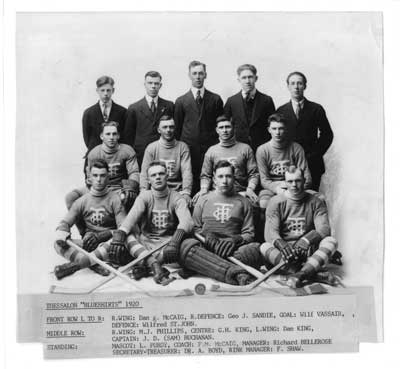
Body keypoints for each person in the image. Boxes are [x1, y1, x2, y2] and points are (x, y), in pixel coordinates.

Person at [235, 166, 338, 288]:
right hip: (286, 255)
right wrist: (282, 245)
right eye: (290, 181)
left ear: (304, 181)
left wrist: (306, 240)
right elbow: (270, 233)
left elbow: (324, 229)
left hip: (308, 252)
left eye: (298, 180)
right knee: (264, 246)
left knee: (331, 241)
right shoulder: (275, 202)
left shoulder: (315, 202)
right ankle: (309, 272)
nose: (294, 185)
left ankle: (300, 274)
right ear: (285, 183)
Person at [108, 161, 194, 285]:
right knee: (127, 235)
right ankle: (154, 267)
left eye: (161, 174)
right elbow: (130, 219)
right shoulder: (144, 196)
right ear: (148, 180)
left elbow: (188, 223)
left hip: (167, 247)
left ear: (167, 176)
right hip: (145, 245)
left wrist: (175, 241)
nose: (158, 177)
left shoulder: (177, 197)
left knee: (185, 249)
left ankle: (146, 267)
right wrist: (121, 233)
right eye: (153, 175)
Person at [177, 160, 255, 286]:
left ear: (234, 178)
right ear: (214, 179)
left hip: (231, 251)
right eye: (220, 176)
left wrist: (234, 240)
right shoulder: (203, 200)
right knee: (185, 246)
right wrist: (206, 236)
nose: (224, 181)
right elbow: (195, 229)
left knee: (255, 249)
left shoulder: (244, 202)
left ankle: (204, 266)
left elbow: (249, 234)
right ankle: (234, 272)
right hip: (207, 247)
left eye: (228, 176)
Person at [53, 159, 128, 279]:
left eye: (103, 175)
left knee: (122, 240)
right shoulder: (81, 201)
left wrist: (105, 234)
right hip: (88, 243)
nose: (99, 179)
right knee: (58, 244)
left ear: (108, 177)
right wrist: (62, 231)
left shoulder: (115, 199)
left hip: (108, 243)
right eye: (95, 175)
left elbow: (123, 229)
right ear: (89, 178)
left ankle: (75, 265)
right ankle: (94, 264)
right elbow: (65, 222)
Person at [65, 122, 140, 230]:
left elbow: (134, 172)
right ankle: (84, 231)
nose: (111, 137)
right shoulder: (94, 153)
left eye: (114, 134)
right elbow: (90, 178)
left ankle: (122, 231)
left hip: (118, 187)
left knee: (127, 197)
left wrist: (131, 186)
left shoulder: (127, 150)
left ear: (118, 136)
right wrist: (96, 193)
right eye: (108, 134)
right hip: (98, 186)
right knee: (70, 197)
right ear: (101, 136)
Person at [276, 72, 333, 190]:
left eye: (299, 83)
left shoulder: (316, 109)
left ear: (305, 86)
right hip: (289, 163)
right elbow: (278, 135)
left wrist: (315, 154)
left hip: (312, 164)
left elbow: (327, 135)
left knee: (310, 199)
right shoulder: (281, 111)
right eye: (292, 83)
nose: (296, 87)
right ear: (288, 87)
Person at [174, 61, 224, 194]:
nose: (198, 76)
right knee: (191, 182)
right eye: (194, 73)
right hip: (189, 150)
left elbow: (220, 126)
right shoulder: (181, 101)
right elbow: (177, 129)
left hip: (210, 150)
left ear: (205, 75)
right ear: (189, 75)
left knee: (210, 182)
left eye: (201, 73)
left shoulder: (215, 99)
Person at [194, 115, 259, 206]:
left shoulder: (245, 149)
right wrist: (204, 189)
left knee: (254, 204)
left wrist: (250, 189)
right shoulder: (212, 151)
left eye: (228, 127)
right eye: (221, 127)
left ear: (233, 129)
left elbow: (254, 174)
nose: (224, 130)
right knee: (199, 202)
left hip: (241, 192)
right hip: (217, 192)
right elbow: (206, 175)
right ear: (217, 130)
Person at [256, 113, 312, 209]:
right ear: (269, 130)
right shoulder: (262, 150)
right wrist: (277, 189)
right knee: (264, 202)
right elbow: (264, 180)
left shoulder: (296, 148)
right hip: (274, 188)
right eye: (274, 129)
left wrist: (292, 189)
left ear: (286, 129)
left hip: (296, 186)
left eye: (281, 128)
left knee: (320, 198)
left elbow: (307, 178)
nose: (277, 132)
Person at [123, 71, 174, 166]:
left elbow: (173, 130)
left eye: (156, 83)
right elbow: (128, 136)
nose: (153, 86)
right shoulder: (134, 108)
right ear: (145, 85)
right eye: (150, 83)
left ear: (160, 85)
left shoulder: (169, 106)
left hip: (163, 152)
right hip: (141, 154)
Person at [140, 115, 193, 205]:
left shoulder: (182, 147)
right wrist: (143, 191)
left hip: (177, 191)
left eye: (171, 127)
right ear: (158, 130)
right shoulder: (152, 148)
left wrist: (186, 192)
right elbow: (144, 173)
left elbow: (187, 172)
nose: (168, 130)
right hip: (156, 191)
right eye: (165, 127)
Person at [81, 76, 127, 179]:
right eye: (102, 90)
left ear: (113, 91)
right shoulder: (89, 113)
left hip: (115, 159)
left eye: (108, 90)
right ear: (97, 91)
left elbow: (124, 136)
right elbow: (87, 138)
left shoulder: (122, 112)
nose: (105, 93)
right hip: (95, 158)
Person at [224, 64, 275, 152]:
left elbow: (273, 125)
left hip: (262, 148)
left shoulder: (266, 100)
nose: (247, 81)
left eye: (250, 77)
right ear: (238, 80)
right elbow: (224, 125)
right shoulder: (231, 101)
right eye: (244, 78)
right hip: (238, 148)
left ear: (256, 78)